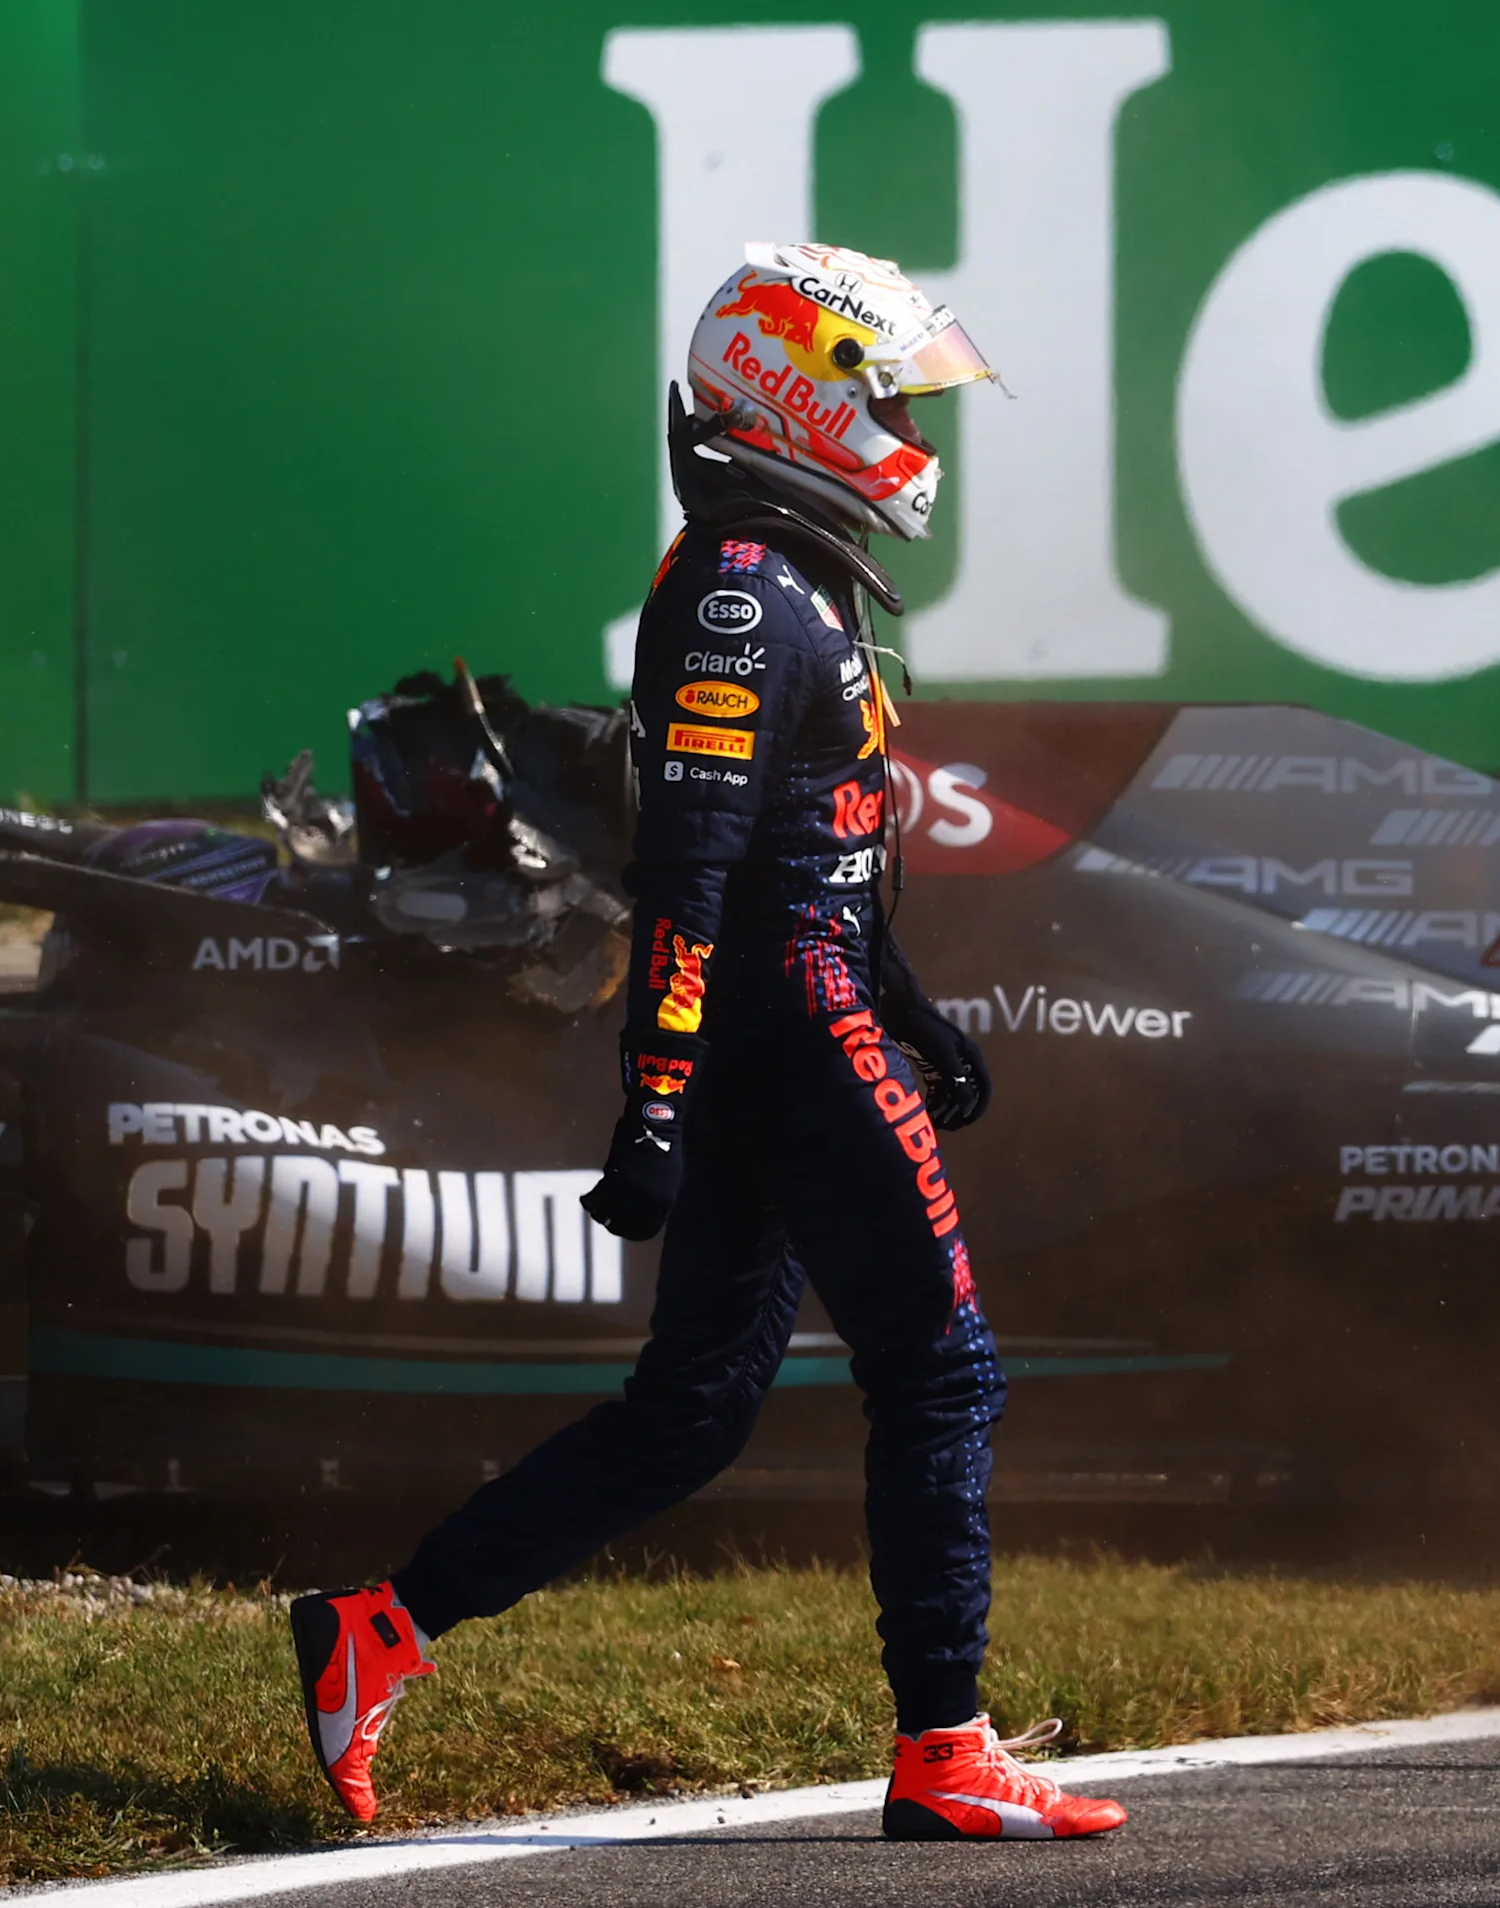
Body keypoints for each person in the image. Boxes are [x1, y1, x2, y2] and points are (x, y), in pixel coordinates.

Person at [288, 242, 1125, 1842]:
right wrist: (656, 1095)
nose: (909, 429)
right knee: (944, 1375)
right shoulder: (748, 590)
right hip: (782, 1033)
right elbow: (693, 867)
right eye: (882, 394)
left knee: (693, 1413)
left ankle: (374, 1633)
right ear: (793, 396)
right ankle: (946, 1747)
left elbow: (827, 852)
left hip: (799, 1014)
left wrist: (909, 1007)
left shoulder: (785, 571)